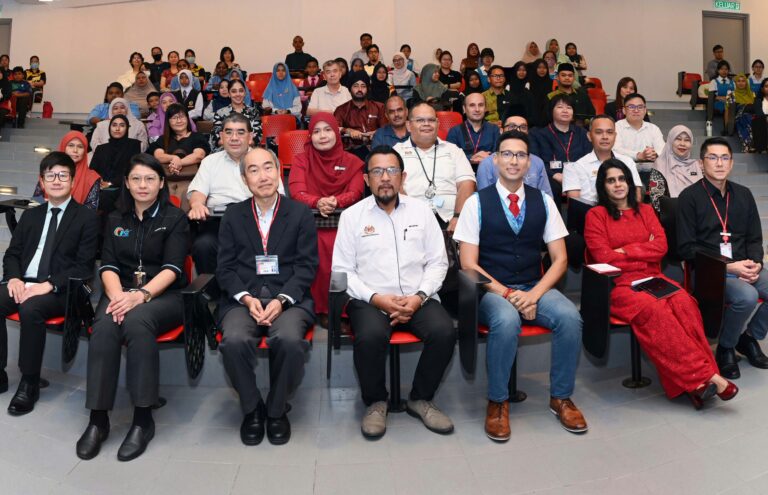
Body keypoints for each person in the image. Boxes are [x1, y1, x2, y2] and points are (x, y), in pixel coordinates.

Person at [454, 130, 587, 441]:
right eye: (507, 154)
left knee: (569, 317)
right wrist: (509, 295)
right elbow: (468, 264)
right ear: (496, 159)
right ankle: (498, 401)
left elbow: (560, 260)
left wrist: (533, 295)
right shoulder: (476, 203)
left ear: (530, 163)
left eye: (521, 155)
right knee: (506, 318)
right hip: (490, 289)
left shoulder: (544, 201)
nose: (514, 160)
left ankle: (561, 397)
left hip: (532, 285)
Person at [585, 159, 738, 408]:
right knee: (656, 311)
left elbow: (661, 248)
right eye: (611, 180)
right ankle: (706, 377)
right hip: (619, 286)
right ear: (603, 186)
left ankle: (701, 382)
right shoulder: (596, 215)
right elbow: (604, 257)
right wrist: (641, 251)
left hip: (654, 279)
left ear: (629, 181)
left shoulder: (645, 211)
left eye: (621, 178)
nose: (618, 185)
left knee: (685, 303)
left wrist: (625, 251)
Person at [332, 146, 455, 438]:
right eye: (377, 171)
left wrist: (419, 297)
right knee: (371, 336)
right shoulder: (352, 216)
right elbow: (342, 271)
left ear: (403, 177)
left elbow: (438, 262)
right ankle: (375, 401)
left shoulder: (423, 211)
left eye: (392, 171)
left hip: (418, 296)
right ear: (365, 179)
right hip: (370, 299)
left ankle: (420, 398)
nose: (385, 178)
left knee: (444, 332)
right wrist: (377, 299)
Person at [77, 154, 189, 462]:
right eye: (136, 179)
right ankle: (98, 420)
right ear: (126, 183)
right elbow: (108, 264)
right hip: (119, 293)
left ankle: (143, 420)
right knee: (103, 327)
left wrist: (139, 295)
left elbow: (172, 268)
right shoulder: (115, 218)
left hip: (163, 296)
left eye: (150, 179)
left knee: (138, 323)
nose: (143, 185)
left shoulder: (174, 218)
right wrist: (116, 297)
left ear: (161, 183)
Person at [217, 147, 317, 447]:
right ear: (244, 178)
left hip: (289, 298)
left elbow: (307, 265)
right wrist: (247, 300)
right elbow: (225, 269)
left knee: (288, 339)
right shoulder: (233, 215)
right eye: (254, 170)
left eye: (268, 168)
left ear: (279, 171)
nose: (263, 176)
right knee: (233, 340)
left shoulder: (299, 212)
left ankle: (275, 410)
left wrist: (281, 300)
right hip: (242, 299)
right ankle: (252, 409)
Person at [0, 152, 98, 413]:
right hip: (24, 282)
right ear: (41, 182)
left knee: (31, 309)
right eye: (50, 175)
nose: (56, 180)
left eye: (63, 175)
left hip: (61, 289)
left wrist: (50, 284)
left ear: (72, 181)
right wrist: (14, 278)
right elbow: (13, 254)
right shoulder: (31, 216)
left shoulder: (86, 218)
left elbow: (84, 266)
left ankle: (29, 381)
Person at [677, 137, 768, 380]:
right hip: (710, 272)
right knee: (747, 297)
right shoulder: (689, 197)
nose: (719, 163)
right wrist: (731, 266)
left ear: (732, 163)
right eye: (713, 157)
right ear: (701, 162)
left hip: (743, 266)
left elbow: (754, 238)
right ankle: (726, 348)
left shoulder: (744, 195)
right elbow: (685, 248)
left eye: (725, 157)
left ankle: (748, 339)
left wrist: (756, 262)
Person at [288, 113, 364, 315]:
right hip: (310, 224)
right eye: (316, 131)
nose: (322, 135)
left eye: (328, 129)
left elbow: (356, 192)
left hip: (346, 225)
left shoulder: (353, 161)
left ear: (337, 133)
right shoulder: (301, 160)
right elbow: (296, 192)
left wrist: (336, 201)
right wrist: (317, 202)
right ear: (310, 136)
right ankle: (323, 309)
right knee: (321, 247)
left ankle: (349, 309)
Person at [188, 113, 282, 275]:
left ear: (250, 137)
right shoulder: (210, 161)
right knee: (203, 245)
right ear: (221, 137)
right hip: (219, 222)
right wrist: (196, 204)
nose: (234, 137)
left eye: (240, 132)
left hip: (256, 221)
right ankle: (214, 293)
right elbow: (198, 192)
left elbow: (279, 197)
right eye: (229, 132)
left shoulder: (264, 159)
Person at [394, 102, 476, 232]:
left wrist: (458, 217)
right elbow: (394, 186)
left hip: (450, 219)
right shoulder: (396, 153)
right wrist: (408, 216)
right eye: (420, 120)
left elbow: (467, 183)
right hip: (410, 221)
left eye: (431, 120)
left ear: (438, 124)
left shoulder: (453, 150)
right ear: (409, 125)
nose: (426, 124)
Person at [564, 115, 644, 204]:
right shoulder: (574, 167)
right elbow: (576, 205)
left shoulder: (627, 162)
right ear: (589, 136)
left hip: (625, 215)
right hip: (591, 215)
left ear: (615, 136)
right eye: (598, 132)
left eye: (610, 132)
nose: (605, 137)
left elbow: (636, 197)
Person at [529, 94, 592, 204]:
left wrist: (575, 177)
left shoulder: (582, 133)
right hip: (552, 177)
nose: (565, 110)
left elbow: (589, 157)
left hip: (579, 177)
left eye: (569, 107)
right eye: (560, 107)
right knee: (552, 187)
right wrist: (554, 175)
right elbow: (535, 161)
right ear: (551, 111)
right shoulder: (538, 134)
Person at [147, 103, 210, 211]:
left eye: (182, 116)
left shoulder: (197, 137)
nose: (179, 120)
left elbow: (199, 155)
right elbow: (158, 155)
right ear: (168, 121)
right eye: (174, 118)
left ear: (187, 118)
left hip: (191, 181)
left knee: (187, 198)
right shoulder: (163, 139)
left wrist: (179, 162)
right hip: (167, 181)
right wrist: (174, 158)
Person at [476, 115, 552, 195]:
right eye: (512, 126)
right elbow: (484, 199)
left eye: (523, 127)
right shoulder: (487, 164)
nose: (518, 130)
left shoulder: (537, 162)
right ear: (501, 131)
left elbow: (547, 198)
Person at [90, 114, 143, 214]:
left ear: (127, 128)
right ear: (109, 128)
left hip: (124, 189)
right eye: (114, 125)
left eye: (122, 125)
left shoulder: (134, 145)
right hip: (101, 190)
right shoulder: (101, 148)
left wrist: (110, 183)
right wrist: (99, 182)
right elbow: (92, 171)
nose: (117, 128)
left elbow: (133, 171)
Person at [33, 131, 100, 210]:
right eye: (71, 145)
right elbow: (37, 199)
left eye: (80, 146)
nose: (75, 150)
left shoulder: (92, 177)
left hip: (77, 221)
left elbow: (91, 209)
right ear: (63, 147)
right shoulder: (49, 171)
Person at [648, 125, 703, 212]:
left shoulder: (697, 166)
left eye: (687, 140)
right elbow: (657, 202)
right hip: (672, 217)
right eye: (678, 139)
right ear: (670, 141)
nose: (682, 143)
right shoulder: (660, 166)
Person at [333, 71, 387, 159]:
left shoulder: (379, 107)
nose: (359, 89)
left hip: (376, 150)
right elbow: (334, 128)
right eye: (355, 86)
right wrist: (348, 130)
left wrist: (376, 132)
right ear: (350, 89)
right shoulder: (341, 110)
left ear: (368, 89)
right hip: (350, 153)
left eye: (363, 86)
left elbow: (387, 128)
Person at [446, 92, 499, 167]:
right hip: (462, 173)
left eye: (480, 105)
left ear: (485, 108)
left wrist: (488, 159)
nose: (477, 109)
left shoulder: (494, 129)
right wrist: (472, 157)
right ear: (464, 109)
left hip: (489, 171)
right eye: (472, 105)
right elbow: (450, 157)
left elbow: (499, 155)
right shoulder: (454, 131)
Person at [210, 79, 262, 152]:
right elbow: (217, 139)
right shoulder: (220, 113)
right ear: (229, 94)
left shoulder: (253, 112)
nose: (238, 94)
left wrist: (239, 148)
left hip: (248, 152)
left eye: (241, 91)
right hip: (225, 152)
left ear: (245, 93)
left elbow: (256, 138)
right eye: (234, 91)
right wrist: (235, 148)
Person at [613, 93, 665, 163]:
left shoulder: (653, 129)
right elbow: (615, 150)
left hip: (651, 171)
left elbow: (662, 150)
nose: (636, 110)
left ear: (645, 110)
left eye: (640, 107)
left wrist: (654, 154)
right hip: (624, 171)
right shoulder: (616, 127)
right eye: (631, 107)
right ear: (624, 110)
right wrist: (638, 155)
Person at [499, 61, 536, 125]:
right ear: (515, 71)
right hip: (509, 123)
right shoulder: (508, 87)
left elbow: (532, 111)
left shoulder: (530, 86)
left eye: (524, 70)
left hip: (526, 124)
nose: (521, 72)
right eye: (519, 70)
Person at [732, 74, 756, 151]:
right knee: (744, 117)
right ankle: (750, 143)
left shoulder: (752, 94)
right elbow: (728, 110)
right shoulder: (731, 94)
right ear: (735, 83)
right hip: (738, 117)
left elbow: (755, 108)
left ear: (746, 83)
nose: (741, 83)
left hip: (751, 116)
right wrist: (728, 127)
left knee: (748, 117)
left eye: (743, 81)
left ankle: (747, 144)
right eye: (738, 81)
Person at [708, 61, 735, 128]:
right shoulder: (714, 82)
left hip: (730, 103)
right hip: (718, 103)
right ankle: (727, 128)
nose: (724, 71)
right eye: (722, 69)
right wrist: (721, 98)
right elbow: (712, 97)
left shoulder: (732, 82)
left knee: (730, 105)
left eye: (726, 69)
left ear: (728, 70)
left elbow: (733, 95)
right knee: (728, 106)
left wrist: (727, 98)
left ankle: (729, 128)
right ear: (718, 70)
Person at [527, 59, 553, 126]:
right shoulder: (529, 83)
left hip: (548, 120)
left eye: (544, 68)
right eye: (539, 67)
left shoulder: (552, 83)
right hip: (531, 120)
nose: (542, 70)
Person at [751, 78, 768, 153]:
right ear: (762, 89)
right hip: (762, 121)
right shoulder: (758, 100)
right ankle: (762, 148)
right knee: (759, 120)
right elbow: (759, 113)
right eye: (767, 86)